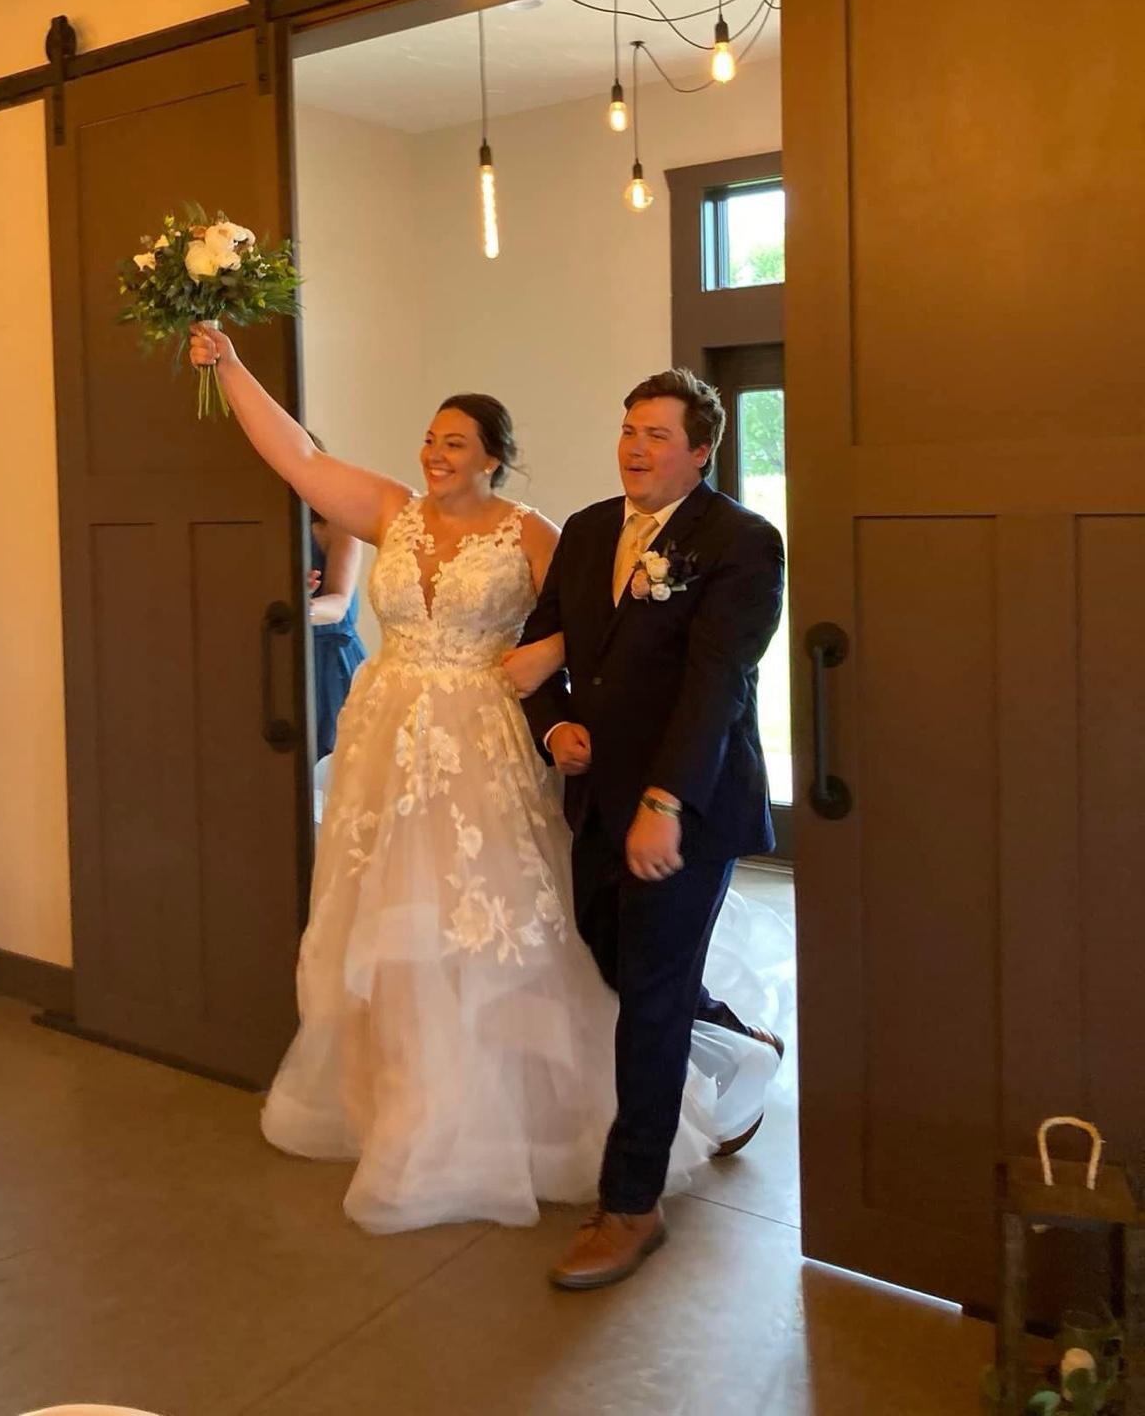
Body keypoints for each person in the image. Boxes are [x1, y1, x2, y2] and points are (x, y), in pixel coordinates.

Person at [186, 324, 768, 1233]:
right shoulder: (395, 512)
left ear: (493, 457)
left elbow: (605, 626)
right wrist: (229, 367)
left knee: (513, 930)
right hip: (388, 749)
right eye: (429, 439)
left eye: (455, 442)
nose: (435, 454)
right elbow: (298, 458)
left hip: (486, 748)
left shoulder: (538, 533)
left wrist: (552, 672)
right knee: (402, 930)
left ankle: (603, 1138)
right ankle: (410, 1110)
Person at [509, 367, 786, 1290]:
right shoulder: (589, 530)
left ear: (701, 452)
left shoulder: (742, 542)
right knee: (611, 956)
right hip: (596, 794)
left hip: (688, 804)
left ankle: (630, 1206)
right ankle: (738, 1042)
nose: (635, 447)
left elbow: (717, 685)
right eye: (629, 429)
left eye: (657, 434)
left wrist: (665, 803)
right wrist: (555, 726)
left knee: (652, 1000)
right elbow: (541, 648)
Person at [304, 433, 367, 762]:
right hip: (281, 653)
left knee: (334, 766)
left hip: (330, 662)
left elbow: (339, 604)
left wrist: (299, 607)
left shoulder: (339, 523)